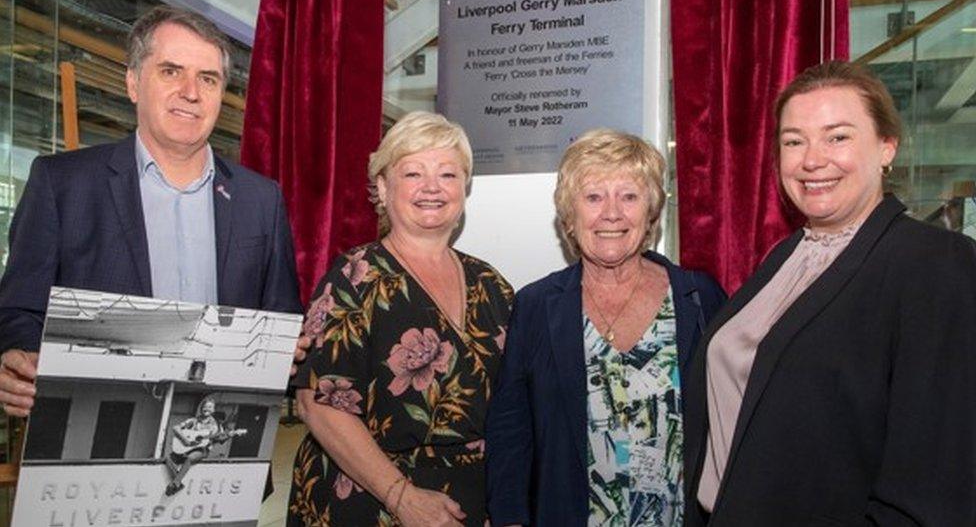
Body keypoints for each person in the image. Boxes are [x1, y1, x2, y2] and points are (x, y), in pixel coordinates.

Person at [684, 61, 976, 526]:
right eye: (793, 141)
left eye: (837, 137)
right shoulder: (787, 255)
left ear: (886, 147)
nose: (812, 159)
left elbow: (934, 484)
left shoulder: (937, 264)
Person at [0, 5, 302, 417]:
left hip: (223, 446)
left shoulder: (261, 199)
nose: (191, 92)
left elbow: (281, 319)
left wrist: (289, 349)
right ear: (133, 83)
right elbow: (19, 309)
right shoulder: (63, 184)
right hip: (95, 439)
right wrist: (19, 355)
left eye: (208, 79)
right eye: (171, 71)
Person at [486, 129, 726, 526]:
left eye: (629, 196)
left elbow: (730, 422)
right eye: (594, 197)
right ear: (569, 214)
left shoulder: (699, 298)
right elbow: (511, 429)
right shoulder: (535, 306)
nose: (611, 213)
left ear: (651, 211)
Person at [288, 111, 513, 527]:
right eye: (413, 173)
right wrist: (403, 498)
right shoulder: (355, 276)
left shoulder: (492, 285)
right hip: (365, 501)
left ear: (465, 188)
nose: (432, 187)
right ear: (382, 187)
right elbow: (317, 403)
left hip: (472, 503)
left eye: (448, 174)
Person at [164, 396, 247, 496]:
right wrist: (185, 440)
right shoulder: (193, 421)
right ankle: (179, 481)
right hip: (188, 447)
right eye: (205, 407)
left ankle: (175, 484)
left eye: (209, 407)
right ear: (201, 408)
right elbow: (176, 428)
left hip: (203, 450)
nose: (206, 409)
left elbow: (220, 439)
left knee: (190, 458)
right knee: (168, 458)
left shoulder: (216, 425)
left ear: (213, 410)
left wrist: (232, 434)